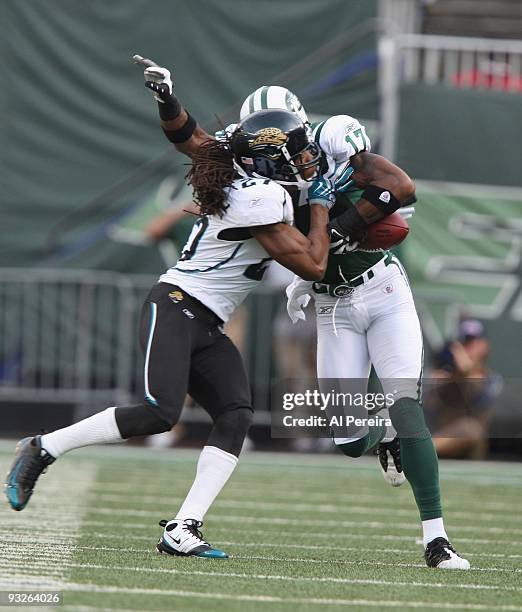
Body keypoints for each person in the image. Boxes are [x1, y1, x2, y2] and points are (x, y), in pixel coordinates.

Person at [5, 65, 337, 559]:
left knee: (235, 413)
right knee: (161, 411)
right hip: (178, 304)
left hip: (207, 319)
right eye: (291, 148)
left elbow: (189, 135)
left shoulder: (247, 166)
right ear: (268, 156)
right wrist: (325, 207)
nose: (302, 156)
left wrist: (166, 98)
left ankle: (183, 528)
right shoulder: (258, 196)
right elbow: (312, 263)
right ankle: (43, 447)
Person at [242, 85, 470, 569]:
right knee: (347, 441)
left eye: (283, 138)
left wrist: (339, 225)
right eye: (263, 146)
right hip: (332, 307)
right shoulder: (257, 185)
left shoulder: (336, 139)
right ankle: (381, 435)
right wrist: (307, 271)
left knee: (406, 406)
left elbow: (402, 189)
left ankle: (437, 538)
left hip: (383, 290)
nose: (280, 154)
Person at [427, 318, 500, 459]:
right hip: (440, 437)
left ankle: (421, 451)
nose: (468, 348)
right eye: (465, 343)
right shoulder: (447, 374)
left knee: (470, 428)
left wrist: (465, 371)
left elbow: (478, 396)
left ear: (484, 346)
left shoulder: (492, 379)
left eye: (474, 342)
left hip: (470, 449)